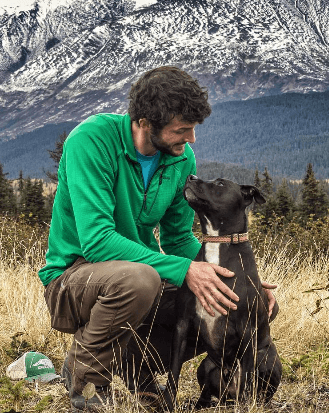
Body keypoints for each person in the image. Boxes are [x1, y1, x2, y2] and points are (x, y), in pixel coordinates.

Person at [38, 66, 277, 411]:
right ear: (145, 122)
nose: (191, 139)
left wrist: (238, 279)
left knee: (242, 302)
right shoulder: (91, 141)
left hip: (141, 279)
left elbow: (178, 239)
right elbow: (97, 241)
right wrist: (185, 271)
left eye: (193, 128)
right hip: (74, 277)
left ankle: (137, 370)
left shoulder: (180, 159)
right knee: (140, 280)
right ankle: (86, 379)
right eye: (182, 130)